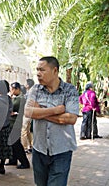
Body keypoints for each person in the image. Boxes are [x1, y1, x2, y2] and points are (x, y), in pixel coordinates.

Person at [24, 56, 79, 186]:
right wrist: (56, 110)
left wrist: (40, 111)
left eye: (42, 70)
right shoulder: (35, 90)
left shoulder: (69, 90)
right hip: (39, 150)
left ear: (55, 71)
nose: (38, 73)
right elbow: (28, 112)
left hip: (62, 151)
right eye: (37, 69)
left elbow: (71, 118)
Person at [5, 82, 30, 169]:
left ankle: (24, 162)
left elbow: (11, 106)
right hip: (12, 122)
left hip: (15, 123)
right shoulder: (17, 98)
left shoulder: (20, 98)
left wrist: (10, 97)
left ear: (17, 89)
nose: (11, 91)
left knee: (16, 144)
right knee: (12, 143)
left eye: (12, 89)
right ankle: (13, 159)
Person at [21, 79, 35, 154]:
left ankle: (24, 147)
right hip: (30, 114)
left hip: (27, 114)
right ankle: (31, 146)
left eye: (26, 83)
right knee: (28, 131)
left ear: (28, 85)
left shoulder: (29, 93)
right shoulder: (33, 91)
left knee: (23, 131)